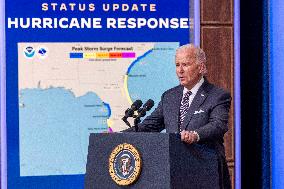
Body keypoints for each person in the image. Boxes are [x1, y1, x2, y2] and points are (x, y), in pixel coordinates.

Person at [124, 43, 232, 189]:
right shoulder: (170, 96)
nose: (180, 71)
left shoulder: (217, 95)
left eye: (185, 65)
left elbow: (218, 125)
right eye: (177, 65)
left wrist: (195, 135)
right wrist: (117, 136)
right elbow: (149, 126)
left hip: (206, 172)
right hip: (174, 173)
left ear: (200, 67)